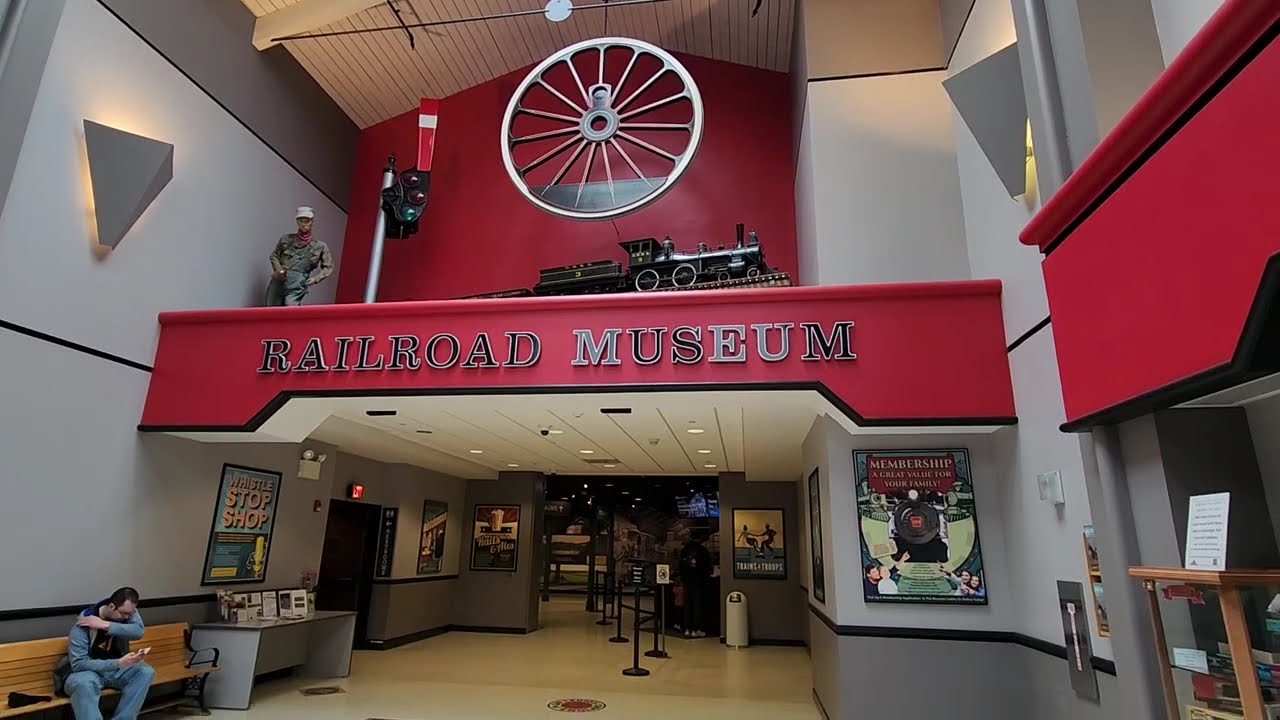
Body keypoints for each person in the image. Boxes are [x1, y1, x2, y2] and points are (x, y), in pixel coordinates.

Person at [53, 587, 153, 720]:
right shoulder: (83, 624)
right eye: (124, 614)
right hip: (85, 672)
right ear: (111, 606)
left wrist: (106, 625)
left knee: (145, 672)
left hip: (113, 668)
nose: (127, 618)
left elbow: (138, 631)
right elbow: (79, 665)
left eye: (130, 613)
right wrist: (118, 663)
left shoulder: (126, 612)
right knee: (85, 684)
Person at [266, 206, 333, 306]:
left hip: (297, 285)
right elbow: (274, 255)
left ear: (312, 222)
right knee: (270, 312)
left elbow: (328, 267)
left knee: (290, 312)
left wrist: (315, 279)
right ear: (297, 222)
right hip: (279, 281)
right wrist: (278, 269)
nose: (304, 224)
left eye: (307, 221)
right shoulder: (286, 239)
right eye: (301, 221)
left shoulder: (320, 246)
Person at [679, 532, 712, 638]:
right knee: (698, 605)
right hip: (699, 581)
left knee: (687, 604)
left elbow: (680, 565)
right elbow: (707, 567)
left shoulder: (685, 550)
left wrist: (683, 578)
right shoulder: (703, 550)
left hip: (687, 581)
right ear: (700, 538)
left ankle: (687, 628)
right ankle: (696, 629)